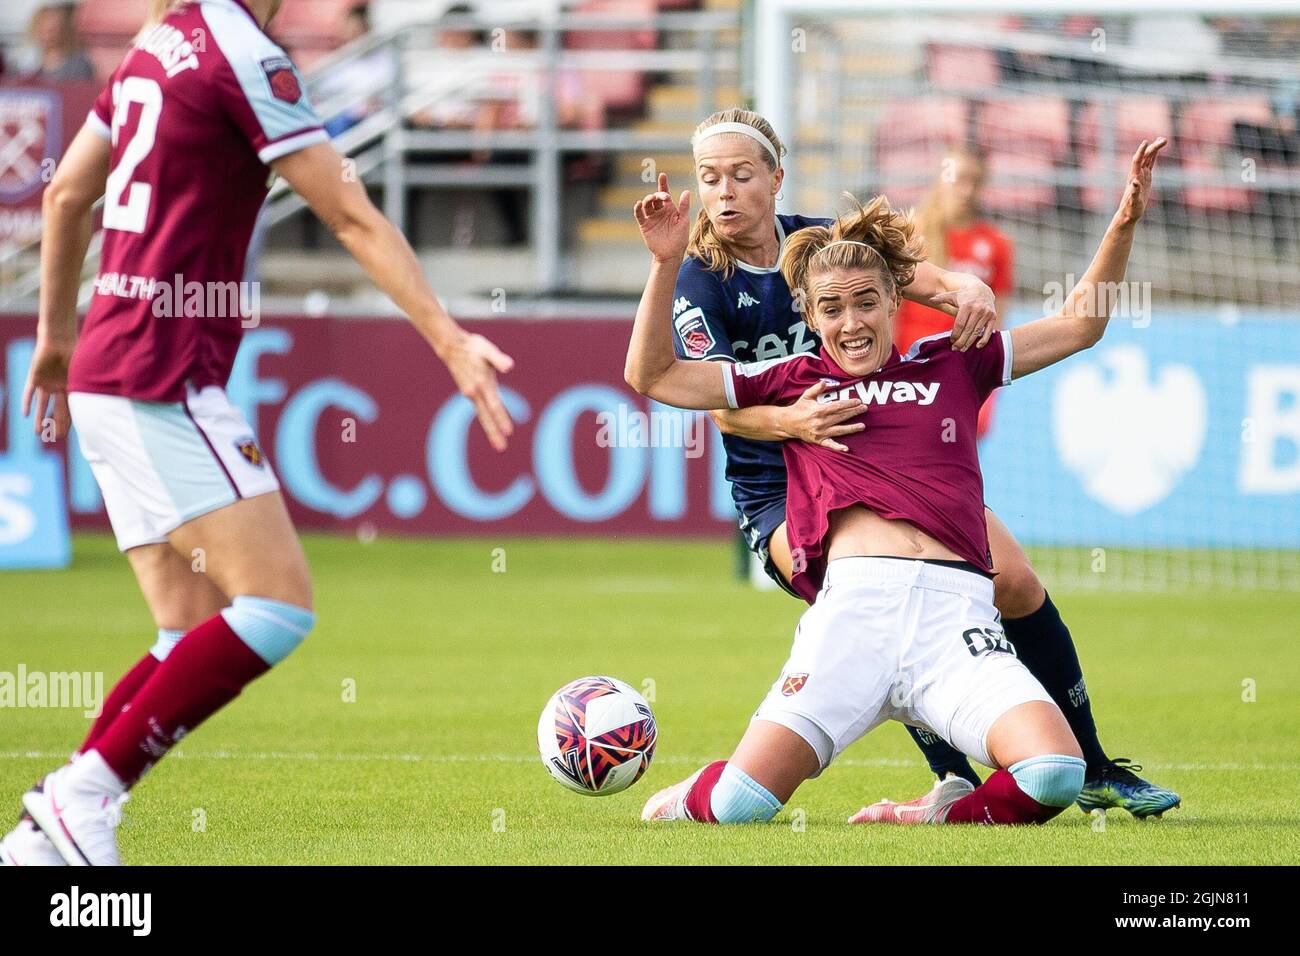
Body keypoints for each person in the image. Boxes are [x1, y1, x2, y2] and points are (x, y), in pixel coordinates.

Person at [0, 0, 514, 867]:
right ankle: (79, 796)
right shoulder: (242, 55)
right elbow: (349, 216)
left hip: (106, 362)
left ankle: (42, 839)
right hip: (160, 372)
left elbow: (65, 193)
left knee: (186, 622)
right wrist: (451, 338)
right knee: (276, 606)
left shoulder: (154, 45)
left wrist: (52, 339)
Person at [625, 138, 1168, 826]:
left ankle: (947, 805)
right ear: (810, 318)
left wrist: (1122, 224)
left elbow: (1081, 325)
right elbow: (655, 377)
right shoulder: (796, 384)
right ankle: (711, 784)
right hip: (853, 621)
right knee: (739, 806)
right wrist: (665, 263)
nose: (850, 323)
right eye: (831, 310)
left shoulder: (951, 365)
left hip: (953, 621)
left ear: (892, 301)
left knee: (1053, 774)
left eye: (865, 303)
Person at [897, 148, 1012, 437]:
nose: (966, 189)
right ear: (941, 177)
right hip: (911, 370)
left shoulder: (996, 244)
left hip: (962, 372)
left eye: (975, 181)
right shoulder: (911, 234)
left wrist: (987, 381)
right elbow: (890, 311)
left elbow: (996, 323)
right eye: (959, 179)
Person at [23, 2, 96, 82]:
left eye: (52, 30)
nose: (47, 35)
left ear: (65, 31)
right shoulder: (28, 66)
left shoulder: (78, 65)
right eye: (42, 29)